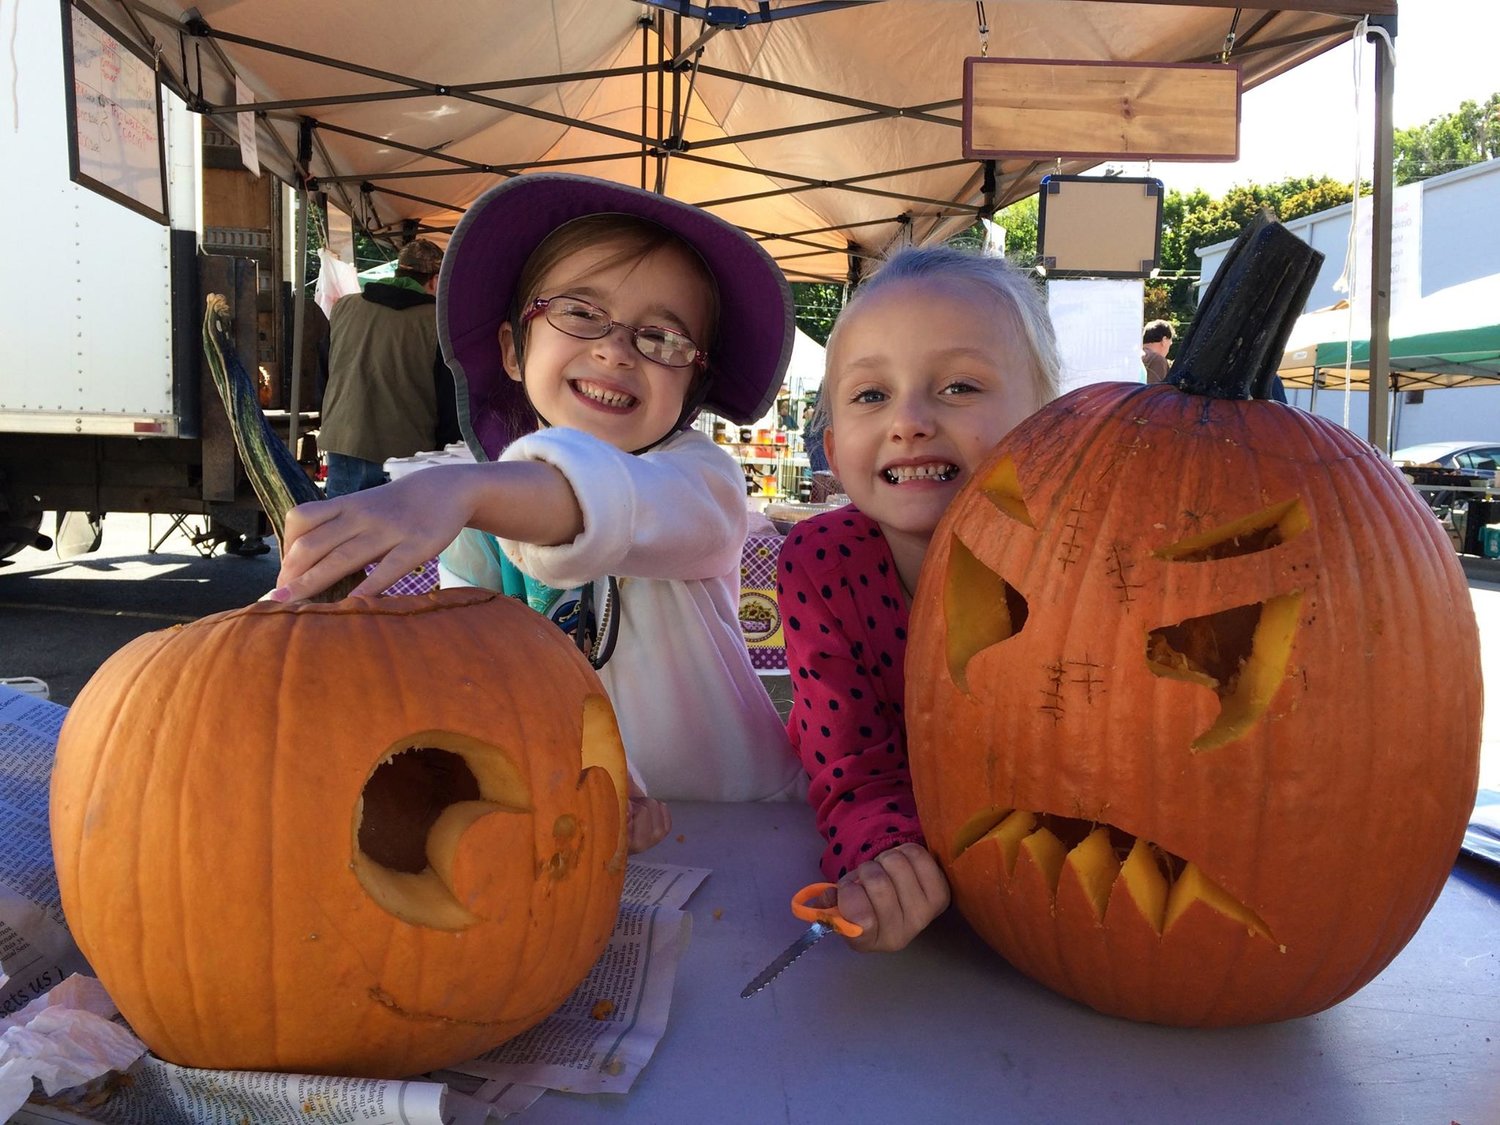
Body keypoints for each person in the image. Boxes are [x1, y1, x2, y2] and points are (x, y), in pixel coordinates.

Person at [272, 174, 807, 844]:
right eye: (580, 313)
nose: (616, 349)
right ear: (511, 350)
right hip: (576, 824)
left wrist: (460, 491)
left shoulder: (704, 482)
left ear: (694, 381)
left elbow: (612, 501)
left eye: (663, 337)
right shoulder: (478, 520)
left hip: (743, 821)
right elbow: (483, 681)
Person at [777, 245, 1061, 952]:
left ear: (1050, 427)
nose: (908, 420)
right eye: (872, 395)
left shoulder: (1080, 567)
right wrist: (884, 861)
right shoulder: (820, 566)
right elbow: (849, 765)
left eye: (960, 387)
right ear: (836, 450)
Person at [319, 238, 460, 497]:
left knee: (343, 532)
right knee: (398, 535)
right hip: (408, 454)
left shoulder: (345, 307)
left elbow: (325, 370)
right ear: (435, 280)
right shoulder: (438, 324)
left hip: (344, 441)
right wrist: (448, 452)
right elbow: (449, 397)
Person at [1141, 318, 1174, 383]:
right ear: (1164, 340)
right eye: (1170, 343)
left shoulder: (1134, 356)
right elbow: (1157, 391)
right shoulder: (1158, 360)